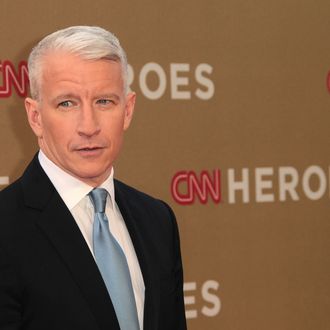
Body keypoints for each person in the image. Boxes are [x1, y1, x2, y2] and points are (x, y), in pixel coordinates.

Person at [0, 26, 186, 330]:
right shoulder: (5, 228)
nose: (89, 126)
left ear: (127, 110)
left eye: (104, 101)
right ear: (35, 117)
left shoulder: (157, 220)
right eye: (67, 103)